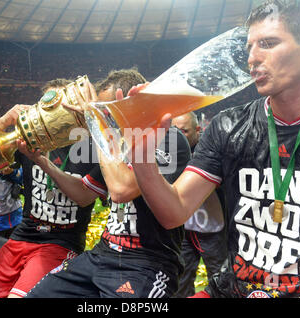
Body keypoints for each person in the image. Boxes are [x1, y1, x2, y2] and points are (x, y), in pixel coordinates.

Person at [127, 0, 300, 298]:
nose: (253, 58)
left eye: (268, 44)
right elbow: (174, 211)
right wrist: (142, 157)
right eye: (249, 48)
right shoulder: (228, 125)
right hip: (232, 290)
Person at [26, 68, 192, 298]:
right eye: (99, 110)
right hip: (102, 254)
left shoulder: (170, 138)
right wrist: (42, 162)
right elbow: (84, 194)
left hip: (146, 262)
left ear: (129, 104)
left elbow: (122, 189)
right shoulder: (118, 142)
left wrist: (96, 124)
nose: (103, 116)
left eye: (106, 111)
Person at [0, 78, 107, 298]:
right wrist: (2, 122)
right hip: (22, 236)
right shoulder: (28, 140)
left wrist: (43, 164)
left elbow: (84, 198)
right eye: (46, 108)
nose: (53, 116)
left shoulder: (93, 146)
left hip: (60, 242)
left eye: (61, 107)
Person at [171, 112, 227, 298]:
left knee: (219, 277)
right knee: (181, 276)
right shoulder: (169, 149)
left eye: (184, 131)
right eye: (174, 130)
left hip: (211, 226)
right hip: (182, 227)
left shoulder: (212, 148)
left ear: (197, 130)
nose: (178, 135)